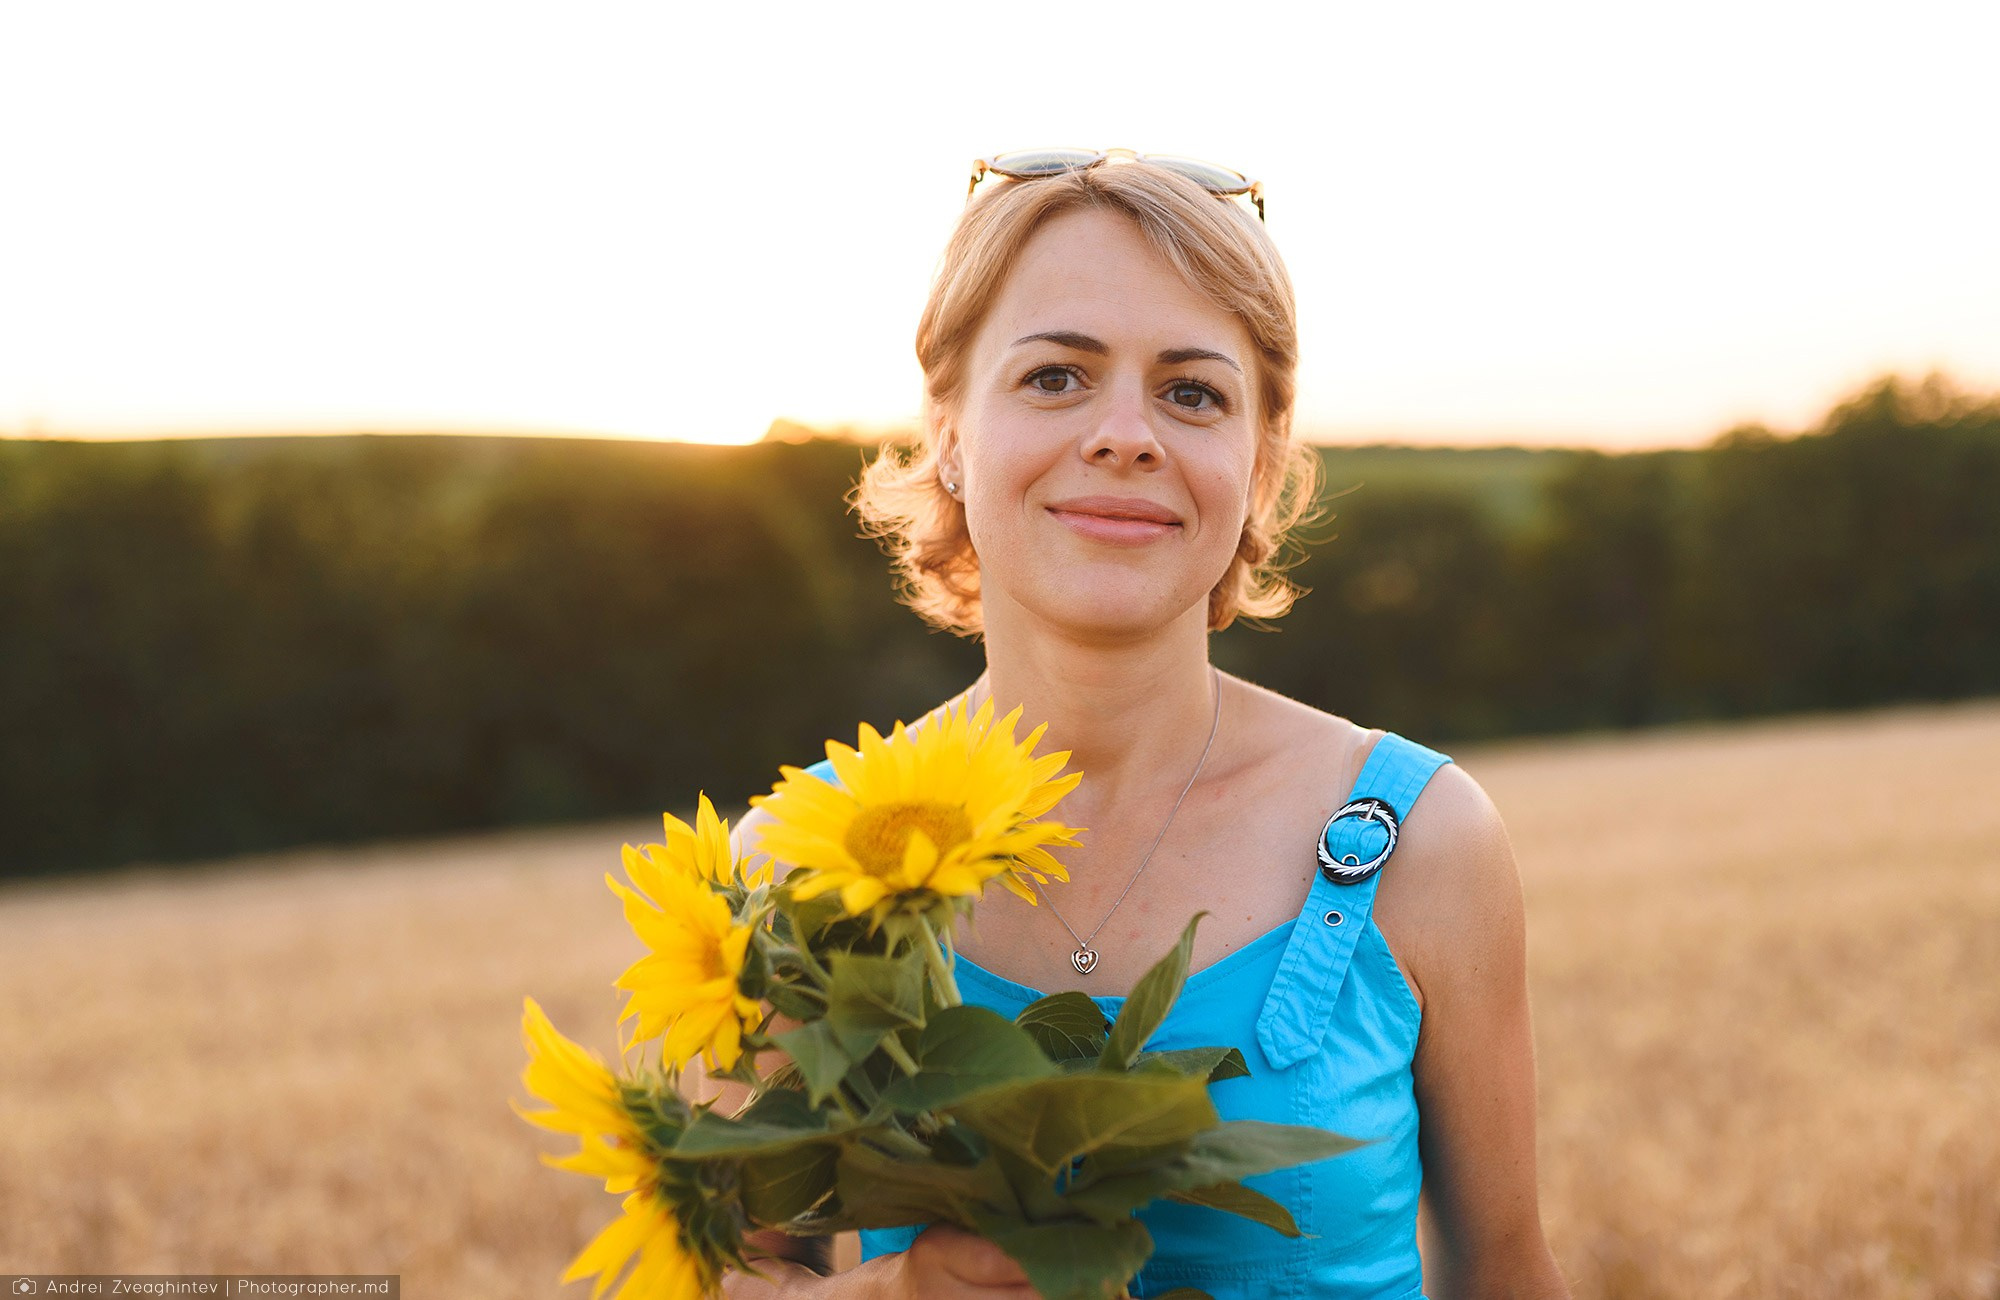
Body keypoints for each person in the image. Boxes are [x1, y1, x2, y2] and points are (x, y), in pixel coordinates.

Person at [715, 150, 1569, 1299]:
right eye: (1056, 377)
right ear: (951, 435)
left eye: (1191, 391)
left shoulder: (1422, 843)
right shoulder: (790, 870)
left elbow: (1506, 1275)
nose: (1125, 433)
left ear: (1258, 464)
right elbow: (728, 1273)